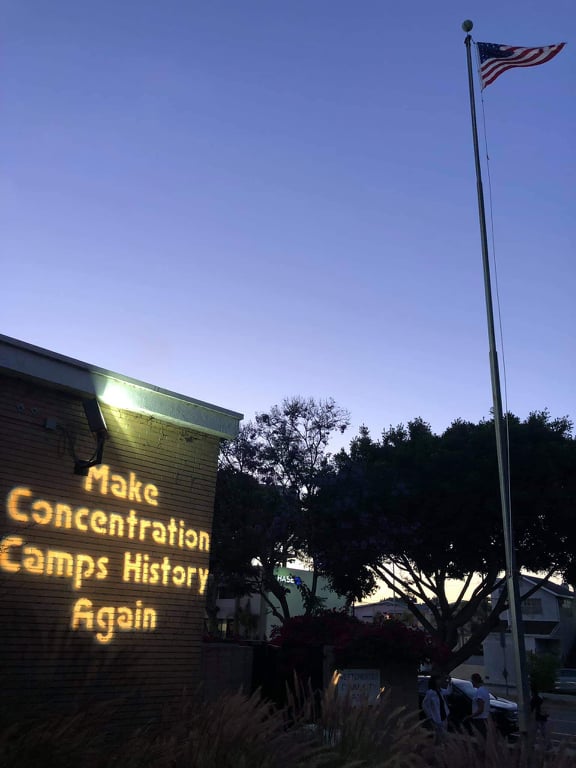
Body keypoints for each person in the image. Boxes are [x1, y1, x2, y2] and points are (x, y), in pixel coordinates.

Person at [422, 675, 451, 744]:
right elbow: (425, 705)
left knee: (444, 735)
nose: (440, 681)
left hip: (444, 716)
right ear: (434, 682)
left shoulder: (440, 691)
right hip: (437, 718)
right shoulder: (430, 693)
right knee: (439, 736)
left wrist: (449, 682)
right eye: (438, 680)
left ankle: (442, 749)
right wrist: (430, 717)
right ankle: (438, 749)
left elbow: (448, 692)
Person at [467, 673, 491, 739]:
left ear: (474, 681)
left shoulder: (480, 692)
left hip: (480, 720)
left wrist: (470, 716)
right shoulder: (484, 690)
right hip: (484, 718)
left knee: (481, 738)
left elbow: (480, 709)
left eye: (472, 680)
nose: (471, 682)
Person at [530, 684, 551, 749]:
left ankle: (532, 745)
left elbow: (531, 708)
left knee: (534, 731)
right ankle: (548, 745)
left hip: (538, 717)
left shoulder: (534, 698)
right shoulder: (540, 697)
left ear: (533, 692)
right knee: (543, 732)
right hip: (544, 717)